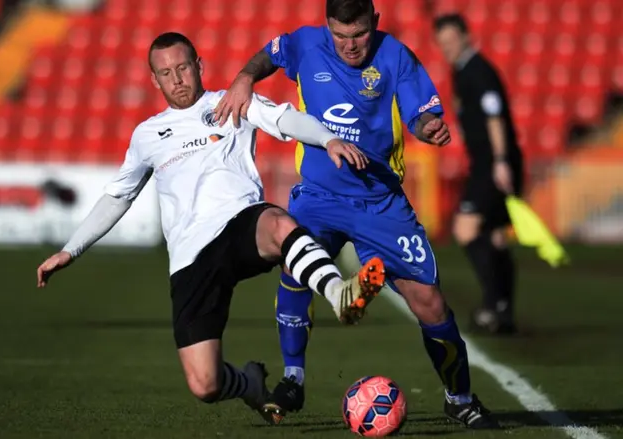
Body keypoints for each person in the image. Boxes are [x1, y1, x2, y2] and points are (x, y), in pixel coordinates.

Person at [35, 32, 387, 424]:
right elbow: (119, 196)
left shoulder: (232, 101)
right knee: (205, 384)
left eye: (183, 67)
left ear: (199, 65)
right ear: (154, 80)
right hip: (190, 260)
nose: (177, 79)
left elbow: (286, 118)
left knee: (278, 222)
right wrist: (71, 249)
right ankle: (251, 383)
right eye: (166, 73)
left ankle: (339, 293)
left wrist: (329, 138)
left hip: (239, 225)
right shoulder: (147, 136)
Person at [215, 0, 498, 429]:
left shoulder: (395, 56)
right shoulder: (306, 45)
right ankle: (293, 378)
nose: (349, 45)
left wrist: (430, 130)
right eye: (340, 36)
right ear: (327, 28)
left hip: (379, 201)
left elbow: (422, 118)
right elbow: (268, 55)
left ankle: (459, 398)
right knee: (296, 266)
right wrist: (243, 79)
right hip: (319, 194)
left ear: (375, 23)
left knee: (430, 301)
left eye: (359, 34)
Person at [433, 14, 524, 334]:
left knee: (465, 229)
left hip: (493, 165)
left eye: (452, 41)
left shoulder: (477, 71)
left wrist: (500, 161)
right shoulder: (462, 71)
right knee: (497, 237)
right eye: (442, 43)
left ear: (466, 37)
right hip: (492, 162)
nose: (447, 48)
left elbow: (494, 116)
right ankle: (503, 310)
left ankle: (492, 303)